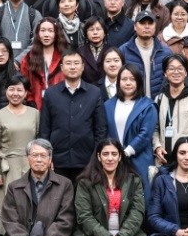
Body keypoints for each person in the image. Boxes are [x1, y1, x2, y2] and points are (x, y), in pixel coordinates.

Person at [39, 51, 108, 184]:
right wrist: (46, 156)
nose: (72, 67)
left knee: (84, 196)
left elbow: (100, 129)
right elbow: (44, 129)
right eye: (68, 63)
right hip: (57, 160)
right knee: (58, 196)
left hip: (86, 160)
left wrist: (96, 157)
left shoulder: (94, 93)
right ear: (61, 67)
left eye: (76, 63)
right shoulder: (51, 94)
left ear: (82, 67)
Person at [151, 56, 188, 196]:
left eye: (180, 69)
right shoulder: (159, 99)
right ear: (165, 73)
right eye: (171, 69)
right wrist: (157, 146)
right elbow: (154, 129)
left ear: (185, 72)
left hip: (187, 162)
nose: (176, 72)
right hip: (164, 163)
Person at [0, 75, 40, 218]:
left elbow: (39, 141)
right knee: (9, 207)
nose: (15, 93)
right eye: (11, 89)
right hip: (8, 169)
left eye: (19, 90)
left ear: (26, 93)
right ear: (6, 91)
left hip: (31, 166)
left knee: (31, 206)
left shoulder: (35, 114)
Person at [105, 66, 158, 196]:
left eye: (132, 79)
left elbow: (145, 134)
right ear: (118, 82)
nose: (128, 83)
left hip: (140, 159)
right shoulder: (108, 105)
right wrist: (114, 154)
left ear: (138, 82)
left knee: (139, 197)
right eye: (124, 79)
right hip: (113, 160)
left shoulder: (148, 105)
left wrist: (126, 152)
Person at [120, 11, 173, 98]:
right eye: (142, 23)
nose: (147, 26)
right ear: (135, 26)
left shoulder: (166, 52)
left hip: (159, 102)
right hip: (133, 102)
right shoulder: (124, 51)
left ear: (155, 27)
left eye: (150, 23)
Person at [19, 18, 65, 109]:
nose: (46, 34)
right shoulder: (28, 58)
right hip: (35, 106)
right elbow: (24, 84)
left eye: (50, 31)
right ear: (38, 33)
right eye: (43, 30)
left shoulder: (64, 57)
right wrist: (31, 101)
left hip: (60, 105)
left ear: (56, 33)